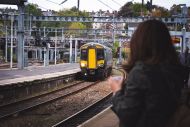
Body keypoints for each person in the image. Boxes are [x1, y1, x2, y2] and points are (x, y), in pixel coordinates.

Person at [108, 19, 189, 127]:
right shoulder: (175, 70)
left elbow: (127, 115)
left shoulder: (141, 72)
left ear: (139, 43)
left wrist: (117, 90)